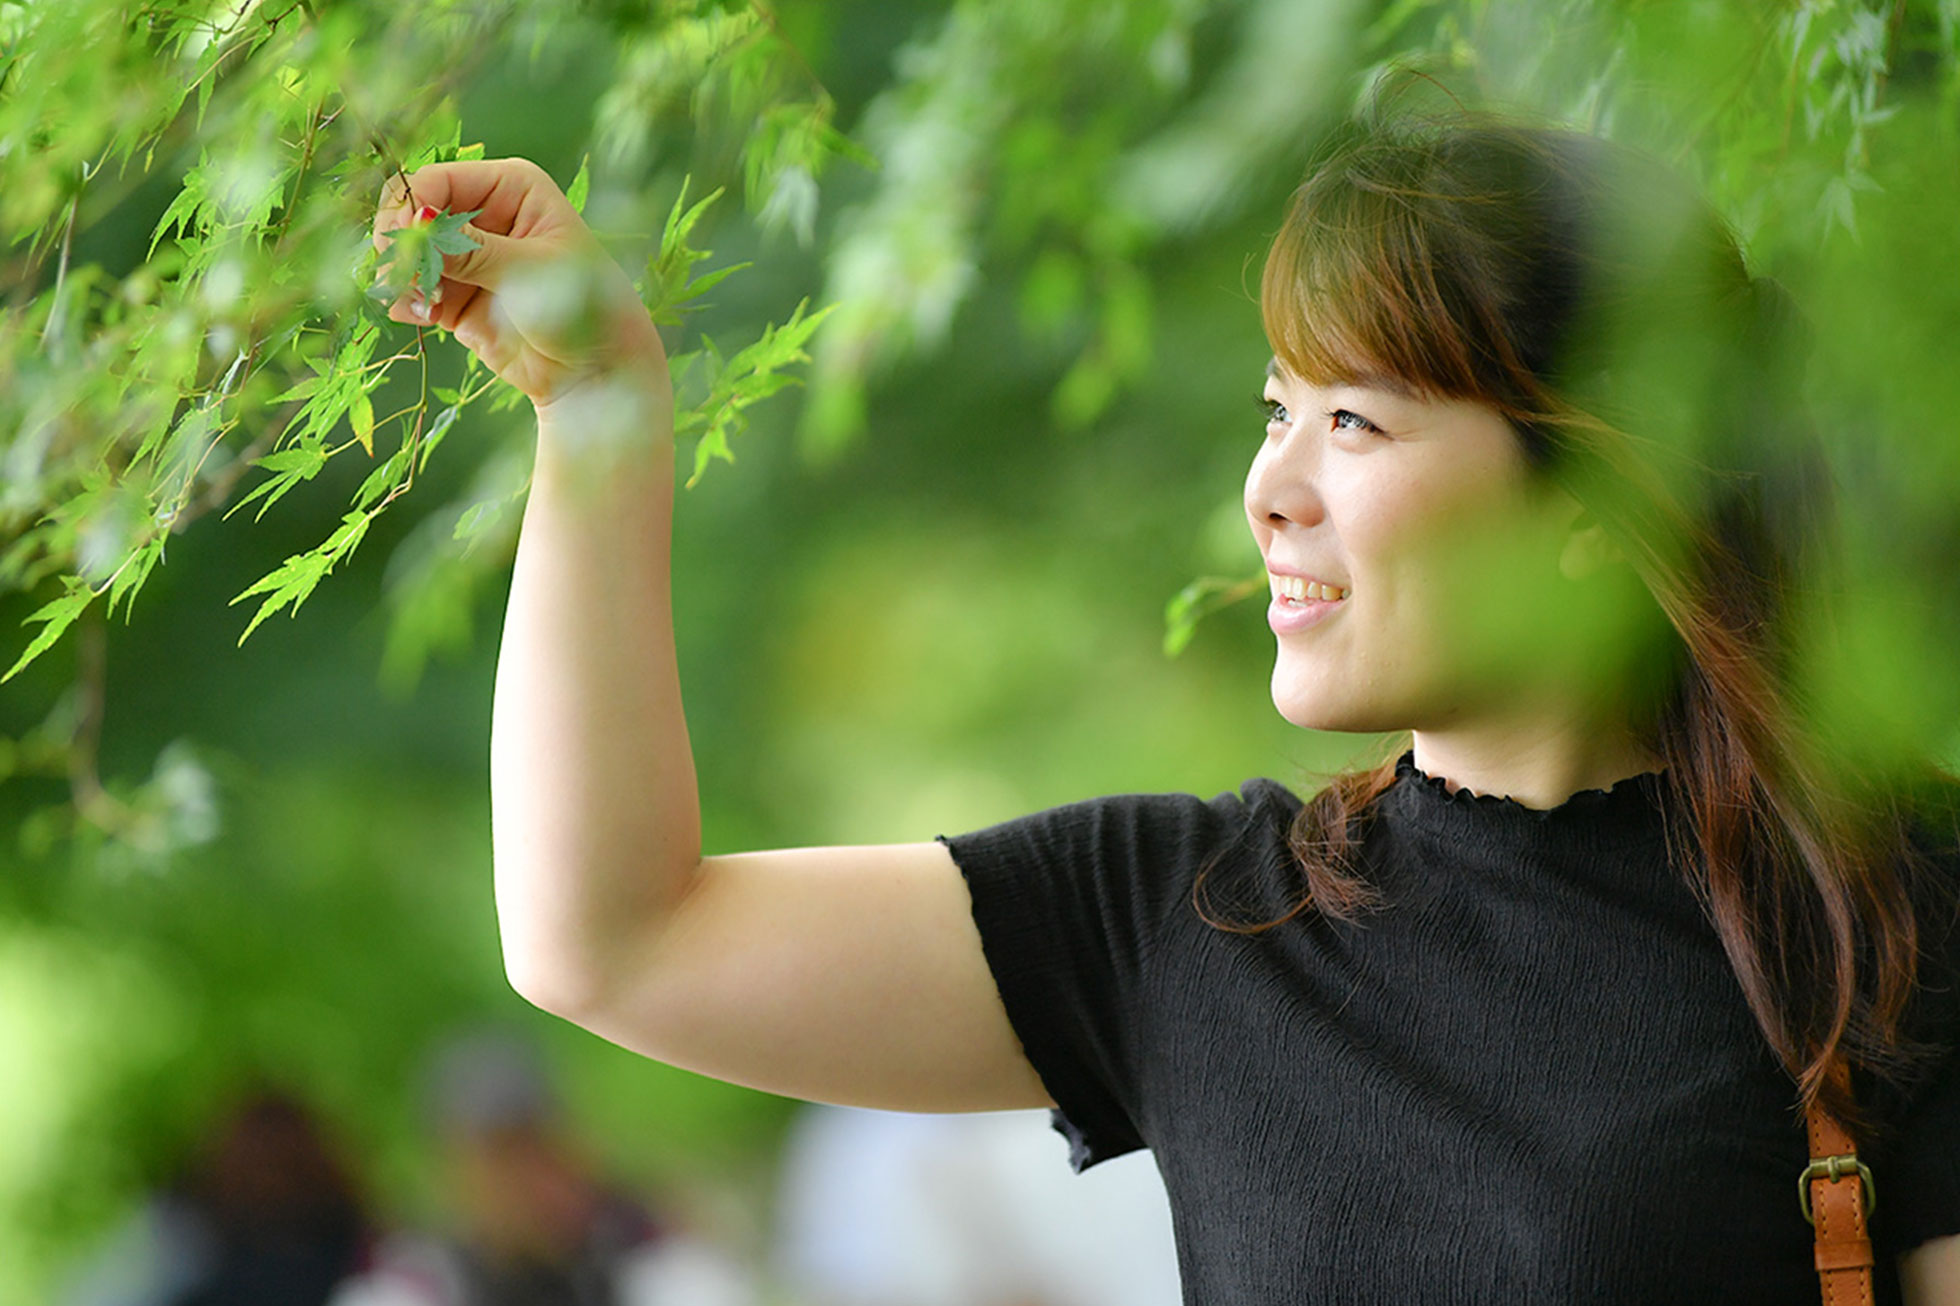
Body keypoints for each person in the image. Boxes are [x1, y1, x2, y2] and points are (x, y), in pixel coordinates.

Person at [369, 102, 1960, 1304]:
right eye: (1277, 412)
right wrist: (599, 409)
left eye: (1356, 419)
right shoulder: (1196, 924)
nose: (1271, 488)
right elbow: (612, 938)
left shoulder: (1877, 908)